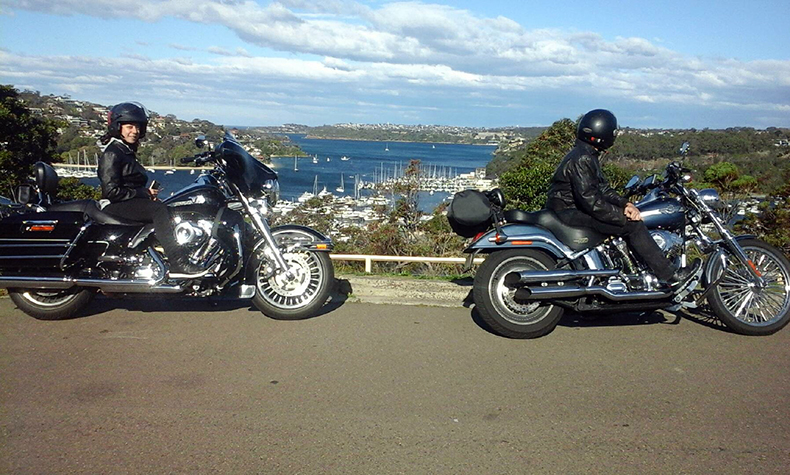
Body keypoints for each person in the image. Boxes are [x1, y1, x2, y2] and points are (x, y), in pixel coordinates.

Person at [546, 109, 699, 288]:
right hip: (568, 212)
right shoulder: (583, 158)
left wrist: (625, 204)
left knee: (628, 221)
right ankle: (669, 275)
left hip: (568, 209)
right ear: (603, 132)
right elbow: (590, 200)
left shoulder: (586, 154)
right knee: (632, 226)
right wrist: (620, 216)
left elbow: (602, 188)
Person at [98, 102, 203, 275]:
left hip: (126, 203)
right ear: (118, 127)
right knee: (158, 211)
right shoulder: (113, 153)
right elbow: (111, 192)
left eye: (138, 127)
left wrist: (146, 195)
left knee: (172, 209)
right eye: (130, 126)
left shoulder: (125, 151)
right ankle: (178, 262)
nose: (135, 131)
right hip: (113, 205)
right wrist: (144, 193)